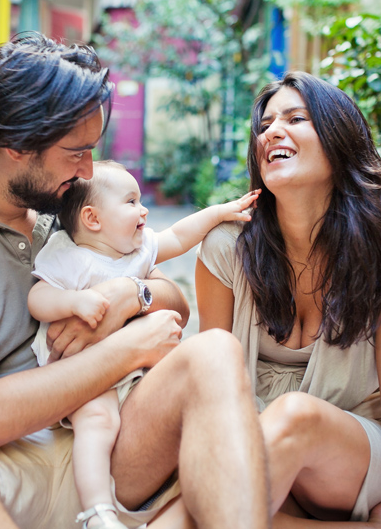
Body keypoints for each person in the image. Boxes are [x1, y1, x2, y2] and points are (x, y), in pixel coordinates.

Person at [0, 33, 270, 529]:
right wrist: (124, 349)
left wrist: (127, 296)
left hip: (117, 450)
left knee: (215, 350)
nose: (88, 170)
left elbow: (171, 304)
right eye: (75, 151)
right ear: (16, 143)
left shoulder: (64, 210)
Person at [192, 72, 381, 528]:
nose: (272, 131)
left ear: (337, 140)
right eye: (266, 124)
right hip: (253, 453)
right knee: (203, 486)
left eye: (296, 118)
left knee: (288, 422)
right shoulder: (225, 247)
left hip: (347, 456)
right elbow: (209, 387)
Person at [28, 160, 260, 529]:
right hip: (82, 368)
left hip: (134, 369)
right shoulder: (68, 254)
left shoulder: (138, 251)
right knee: (98, 422)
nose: (144, 209)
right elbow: (37, 297)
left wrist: (219, 213)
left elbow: (181, 236)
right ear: (92, 219)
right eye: (131, 201)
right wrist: (73, 303)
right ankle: (97, 511)